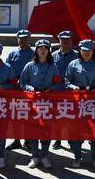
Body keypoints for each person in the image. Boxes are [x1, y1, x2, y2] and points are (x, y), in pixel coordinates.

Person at [19, 39, 62, 169]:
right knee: (33, 129)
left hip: (48, 102)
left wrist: (51, 89)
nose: (43, 50)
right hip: (33, 101)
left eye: (45, 48)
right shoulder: (30, 66)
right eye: (40, 48)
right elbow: (22, 83)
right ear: (36, 50)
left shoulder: (53, 66)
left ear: (49, 51)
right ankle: (34, 156)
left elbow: (58, 83)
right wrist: (31, 89)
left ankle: (44, 155)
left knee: (46, 129)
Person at [65, 39, 95, 168]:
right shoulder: (73, 64)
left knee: (94, 131)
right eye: (84, 51)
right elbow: (67, 80)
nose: (87, 53)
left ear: (93, 51)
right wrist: (73, 87)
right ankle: (78, 157)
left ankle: (94, 157)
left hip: (94, 101)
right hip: (79, 101)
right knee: (78, 131)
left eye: (89, 51)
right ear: (80, 51)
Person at [5, 29, 34, 151]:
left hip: (29, 89)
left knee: (28, 115)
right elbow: (6, 68)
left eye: (25, 38)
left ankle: (27, 140)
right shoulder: (12, 54)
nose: (23, 40)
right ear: (17, 39)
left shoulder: (34, 53)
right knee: (15, 115)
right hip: (14, 89)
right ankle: (16, 140)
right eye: (21, 38)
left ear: (29, 39)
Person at [51, 30, 78, 150]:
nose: (66, 42)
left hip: (72, 91)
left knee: (72, 117)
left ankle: (72, 139)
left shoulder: (78, 55)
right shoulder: (53, 56)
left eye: (68, 40)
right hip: (57, 91)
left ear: (71, 41)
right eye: (63, 40)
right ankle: (57, 140)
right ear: (59, 41)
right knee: (57, 116)